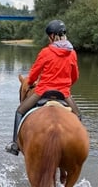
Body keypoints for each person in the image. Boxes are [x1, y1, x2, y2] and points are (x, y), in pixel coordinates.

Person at [5, 19, 82, 156]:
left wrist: (32, 83)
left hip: (42, 92)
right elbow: (75, 76)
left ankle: (15, 144)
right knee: (78, 115)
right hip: (64, 94)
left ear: (52, 36)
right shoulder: (72, 53)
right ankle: (79, 145)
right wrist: (65, 85)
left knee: (19, 111)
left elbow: (33, 74)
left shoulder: (46, 52)